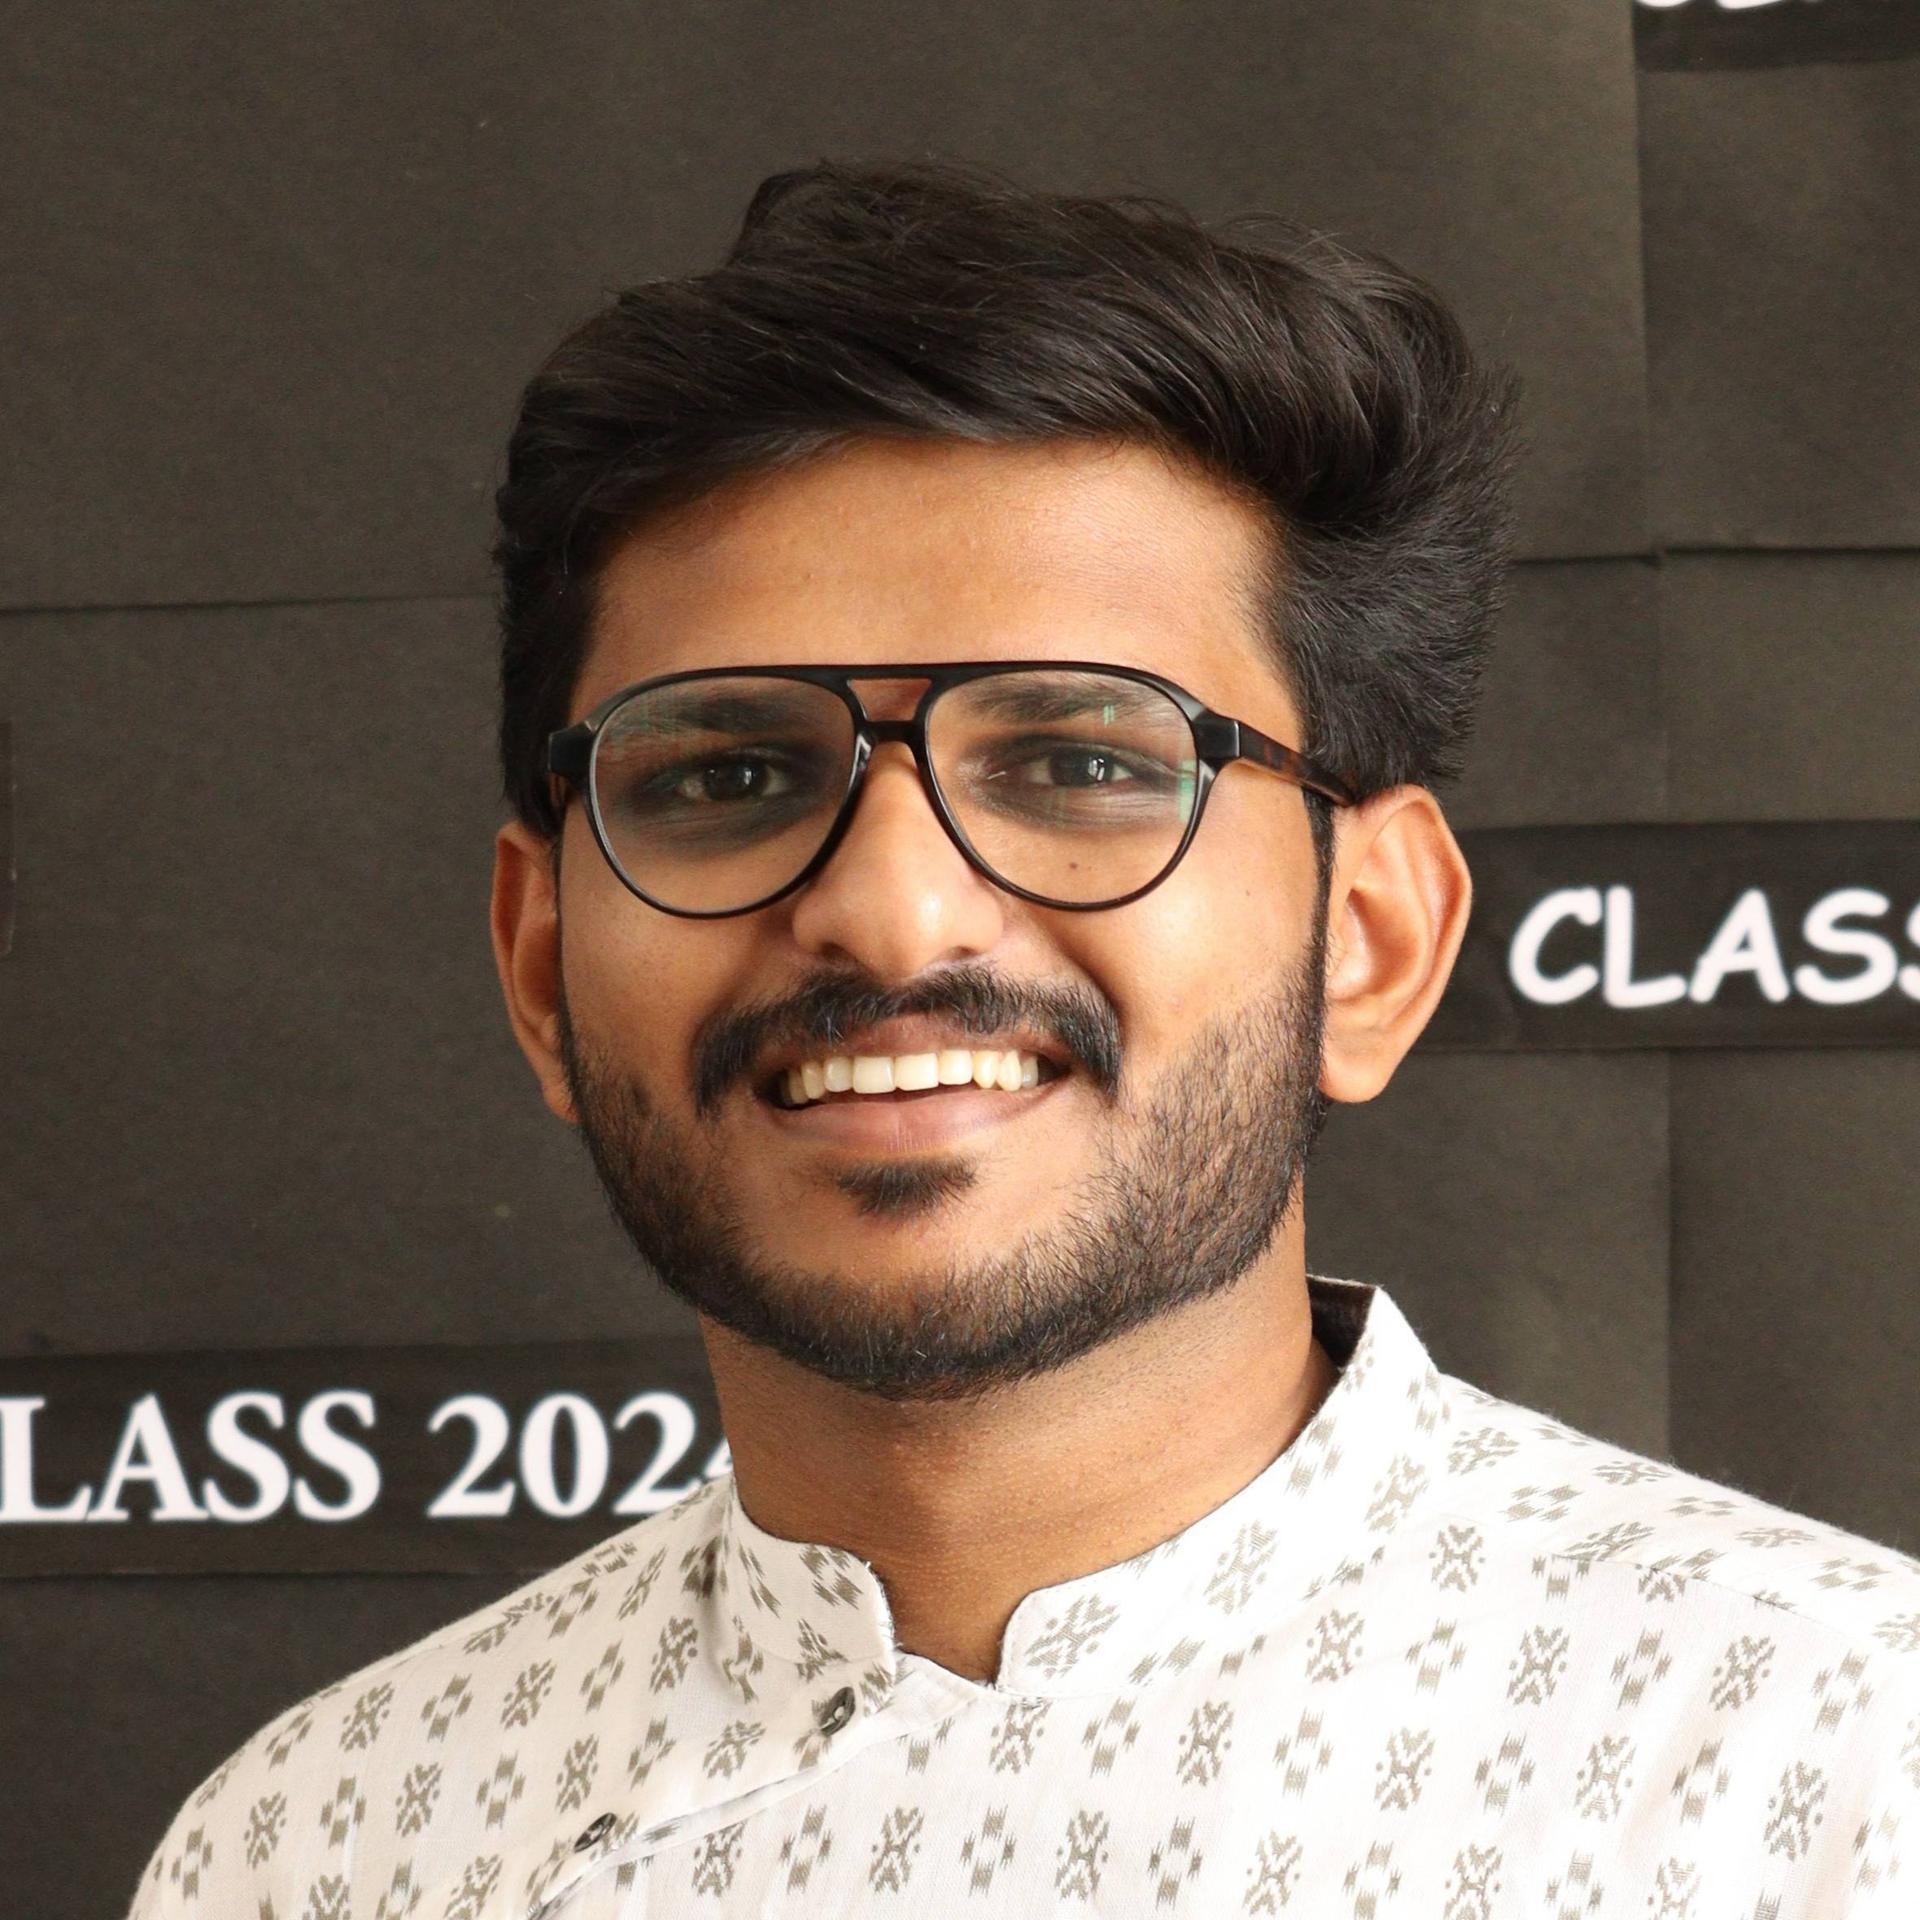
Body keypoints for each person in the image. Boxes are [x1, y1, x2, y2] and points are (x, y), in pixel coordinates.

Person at [128, 157, 1919, 1919]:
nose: (894, 914)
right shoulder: (322, 1851)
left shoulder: (1840, 1772)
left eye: (1079, 761)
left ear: (1370, 943)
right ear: (540, 968)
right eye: (729, 776)